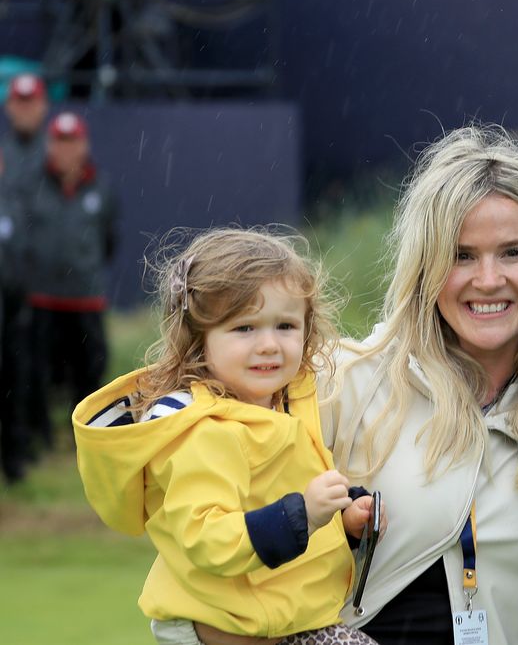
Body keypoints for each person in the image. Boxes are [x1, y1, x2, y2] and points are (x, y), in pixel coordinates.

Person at [317, 125, 518, 645]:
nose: (489, 279)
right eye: (462, 255)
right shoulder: (343, 382)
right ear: (427, 267)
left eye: (513, 252)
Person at [72, 226, 381, 645]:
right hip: (234, 621)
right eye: (244, 329)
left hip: (283, 615)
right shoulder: (204, 431)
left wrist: (342, 517)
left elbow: (276, 498)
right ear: (199, 340)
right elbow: (207, 537)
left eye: (285, 325)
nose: (270, 344)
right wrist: (305, 513)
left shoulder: (285, 404)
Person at [26, 110, 116, 448]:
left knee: (90, 369)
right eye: (59, 142)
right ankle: (42, 437)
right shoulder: (33, 186)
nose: (65, 150)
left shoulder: (101, 187)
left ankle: (87, 437)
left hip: (85, 297)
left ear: (84, 144)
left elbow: (108, 241)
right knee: (37, 372)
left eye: (72, 141)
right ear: (50, 145)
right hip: (43, 299)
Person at [0, 73, 49, 482]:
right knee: (12, 364)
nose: (26, 109)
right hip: (8, 277)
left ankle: (33, 440)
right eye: (19, 101)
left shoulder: (60, 150)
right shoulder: (4, 151)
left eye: (32, 102)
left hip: (46, 278)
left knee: (33, 364)